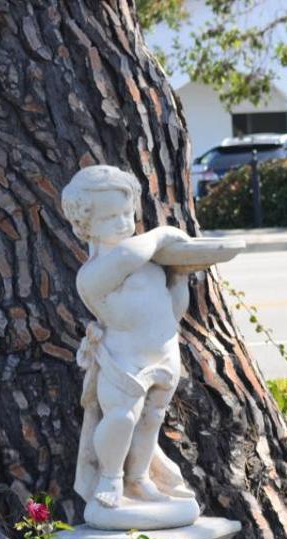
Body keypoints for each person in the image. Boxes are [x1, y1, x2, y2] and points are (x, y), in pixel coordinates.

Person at [60, 165, 196, 513]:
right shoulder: (95, 273)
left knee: (152, 419)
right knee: (121, 418)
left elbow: (169, 311)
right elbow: (127, 256)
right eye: (110, 218)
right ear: (85, 224)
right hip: (124, 360)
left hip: (163, 354)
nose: (123, 223)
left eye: (127, 213)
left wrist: (180, 279)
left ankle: (139, 477)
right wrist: (164, 234)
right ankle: (110, 477)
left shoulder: (149, 266)